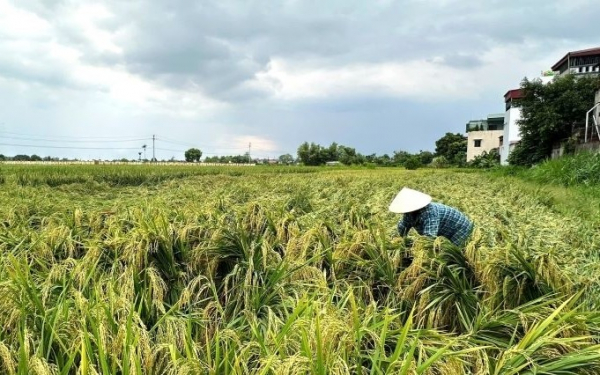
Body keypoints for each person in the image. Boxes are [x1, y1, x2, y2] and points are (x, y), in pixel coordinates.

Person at [389, 187, 474, 246]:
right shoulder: (408, 213)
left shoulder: (430, 212)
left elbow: (430, 237)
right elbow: (403, 227)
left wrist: (419, 249)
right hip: (443, 229)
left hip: (460, 228)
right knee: (440, 248)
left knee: (451, 252)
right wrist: (398, 240)